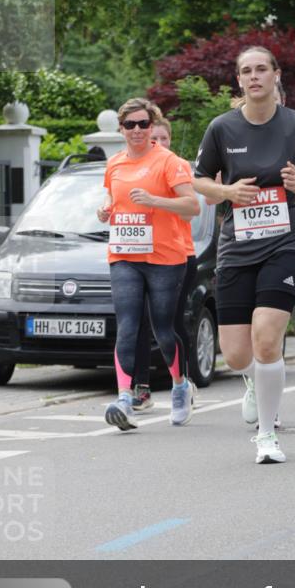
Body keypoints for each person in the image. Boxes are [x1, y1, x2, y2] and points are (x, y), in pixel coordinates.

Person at [193, 46, 295, 464]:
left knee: (266, 340)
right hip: (237, 246)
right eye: (247, 71)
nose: (255, 76)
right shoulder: (222, 128)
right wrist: (226, 192)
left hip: (284, 244)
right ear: (239, 80)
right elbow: (199, 182)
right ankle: (253, 382)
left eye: (262, 68)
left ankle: (266, 435)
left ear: (276, 75)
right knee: (239, 353)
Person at [97, 98, 200, 430]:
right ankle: (125, 399)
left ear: (152, 126)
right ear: (122, 128)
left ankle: (180, 386)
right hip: (125, 254)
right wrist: (105, 208)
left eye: (143, 124)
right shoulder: (114, 164)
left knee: (163, 329)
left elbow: (192, 206)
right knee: (127, 325)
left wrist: (155, 201)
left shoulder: (169, 162)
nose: (137, 130)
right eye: (131, 125)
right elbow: (112, 197)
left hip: (165, 257)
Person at [129, 116, 198, 411]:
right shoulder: (138, 169)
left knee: (169, 323)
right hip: (141, 254)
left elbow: (190, 212)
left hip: (178, 255)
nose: (157, 143)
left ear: (170, 140)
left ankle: (182, 383)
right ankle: (141, 388)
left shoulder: (176, 168)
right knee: (138, 322)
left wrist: (157, 199)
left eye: (163, 138)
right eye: (152, 137)